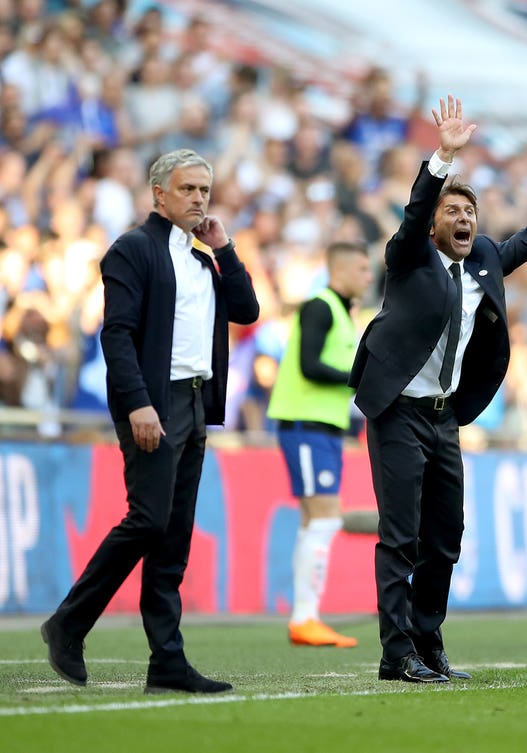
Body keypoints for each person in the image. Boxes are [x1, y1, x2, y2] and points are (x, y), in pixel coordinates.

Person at [349, 95, 527, 683]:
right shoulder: (408, 256)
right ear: (435, 221)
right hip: (398, 413)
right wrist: (441, 158)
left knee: (445, 538)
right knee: (401, 535)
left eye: (471, 212)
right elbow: (411, 214)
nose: (464, 220)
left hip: (443, 417)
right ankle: (396, 653)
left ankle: (428, 642)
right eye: (453, 211)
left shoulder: (483, 258)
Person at [40, 148, 259, 694]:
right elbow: (115, 333)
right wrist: (138, 403)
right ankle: (68, 622)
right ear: (159, 194)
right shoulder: (133, 249)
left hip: (193, 402)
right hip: (153, 403)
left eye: (204, 190)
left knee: (174, 535)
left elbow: (248, 310)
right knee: (149, 519)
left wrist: (226, 248)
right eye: (188, 189)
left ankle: (167, 660)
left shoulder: (202, 256)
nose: (199, 199)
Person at [267, 240, 373, 647]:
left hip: (322, 428)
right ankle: (304, 617)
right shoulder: (319, 306)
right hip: (305, 424)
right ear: (339, 270)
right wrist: (359, 378)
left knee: (315, 521)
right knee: (324, 520)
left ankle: (305, 618)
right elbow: (309, 366)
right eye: (362, 269)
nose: (367, 277)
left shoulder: (342, 315)